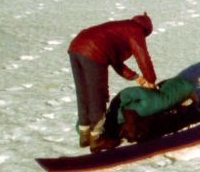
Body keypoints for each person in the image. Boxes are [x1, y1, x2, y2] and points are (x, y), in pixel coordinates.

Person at [67, 12, 157, 151]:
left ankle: (85, 134)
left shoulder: (120, 28)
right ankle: (97, 139)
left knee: (83, 91)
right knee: (97, 94)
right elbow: (142, 57)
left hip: (76, 47)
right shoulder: (135, 30)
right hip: (93, 52)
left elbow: (115, 61)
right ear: (146, 29)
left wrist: (137, 78)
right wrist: (151, 80)